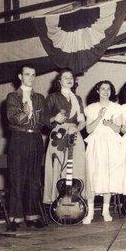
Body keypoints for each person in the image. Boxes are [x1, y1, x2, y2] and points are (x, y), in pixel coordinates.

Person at [5, 65, 48, 231]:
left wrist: (55, 119)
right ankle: (15, 218)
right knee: (17, 178)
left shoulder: (39, 98)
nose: (31, 77)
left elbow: (44, 122)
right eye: (27, 74)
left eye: (33, 75)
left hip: (36, 138)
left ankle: (32, 216)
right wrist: (24, 113)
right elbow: (12, 118)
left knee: (34, 178)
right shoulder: (12, 97)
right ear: (20, 76)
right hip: (19, 138)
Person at [43, 69, 86, 205]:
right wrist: (54, 118)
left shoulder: (77, 99)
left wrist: (76, 128)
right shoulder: (52, 97)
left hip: (74, 134)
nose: (69, 79)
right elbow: (43, 120)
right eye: (65, 77)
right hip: (58, 134)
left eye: (71, 77)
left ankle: (76, 201)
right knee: (58, 166)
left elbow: (82, 121)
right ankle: (57, 202)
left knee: (77, 166)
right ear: (59, 81)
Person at [83, 80, 123, 224]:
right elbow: (88, 130)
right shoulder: (91, 108)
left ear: (111, 92)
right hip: (96, 143)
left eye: (108, 89)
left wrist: (110, 124)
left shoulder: (117, 107)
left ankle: (106, 211)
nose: (106, 91)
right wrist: (99, 117)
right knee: (93, 176)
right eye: (103, 88)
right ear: (98, 91)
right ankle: (90, 212)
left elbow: (119, 129)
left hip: (112, 144)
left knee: (109, 177)